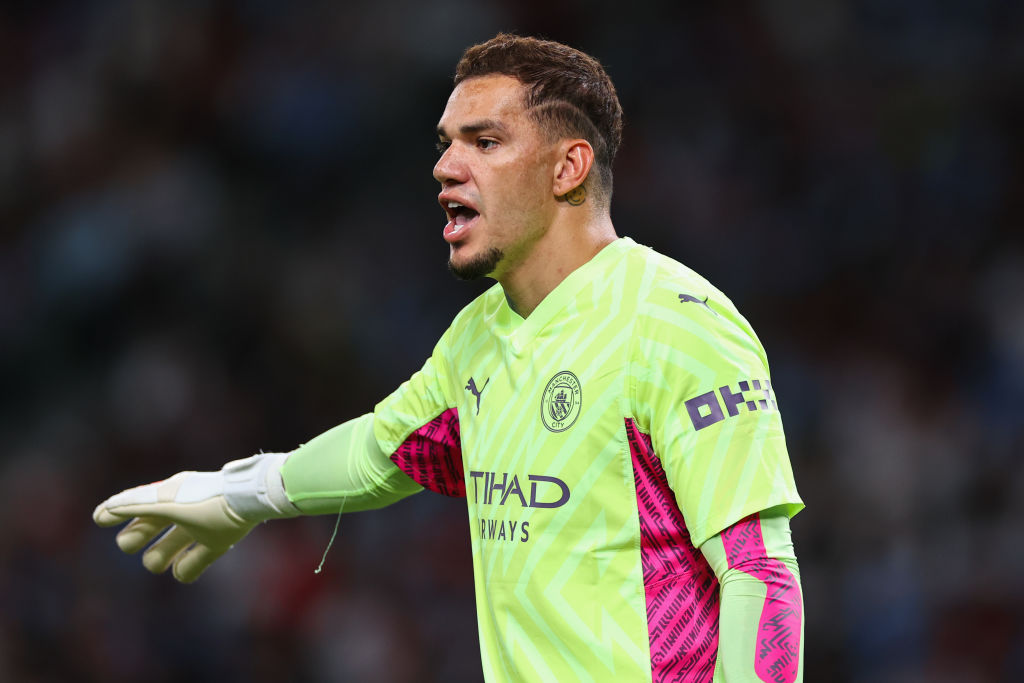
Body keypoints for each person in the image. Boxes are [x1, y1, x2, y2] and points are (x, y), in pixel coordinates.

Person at [94, 33, 805, 683]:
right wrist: (237, 493)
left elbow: (760, 573)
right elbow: (384, 449)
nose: (444, 166)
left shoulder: (675, 327)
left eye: (485, 141)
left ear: (568, 167)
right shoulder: (479, 337)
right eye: (444, 143)